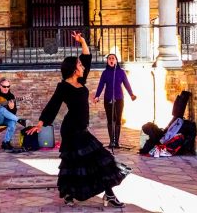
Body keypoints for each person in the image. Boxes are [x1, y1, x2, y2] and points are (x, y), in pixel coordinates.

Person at [27, 31, 128, 208]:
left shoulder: (81, 81)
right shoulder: (63, 86)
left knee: (89, 160)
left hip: (81, 129)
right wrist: (41, 123)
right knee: (82, 161)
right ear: (74, 69)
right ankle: (79, 194)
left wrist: (82, 41)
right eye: (79, 65)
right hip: (71, 130)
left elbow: (87, 57)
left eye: (81, 65)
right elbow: (53, 105)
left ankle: (91, 194)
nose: (82, 66)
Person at [93, 54, 136, 148]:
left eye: (113, 58)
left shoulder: (121, 72)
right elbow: (101, 85)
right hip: (108, 98)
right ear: (107, 61)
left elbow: (126, 84)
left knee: (118, 119)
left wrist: (131, 94)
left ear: (116, 60)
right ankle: (111, 141)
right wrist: (97, 96)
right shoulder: (105, 73)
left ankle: (116, 141)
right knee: (110, 119)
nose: (111, 60)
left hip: (119, 98)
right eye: (109, 59)